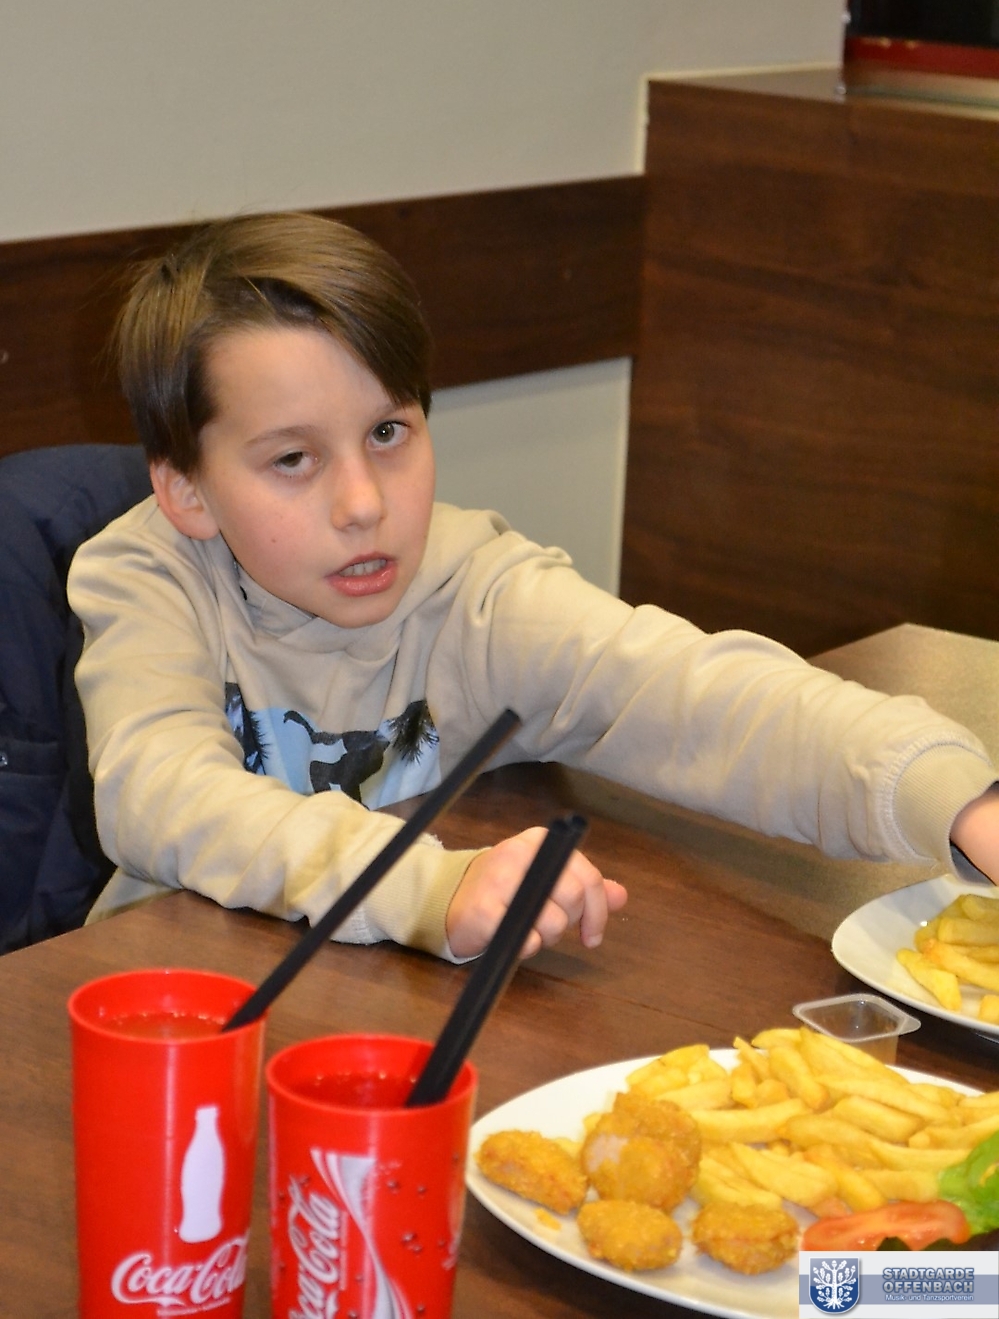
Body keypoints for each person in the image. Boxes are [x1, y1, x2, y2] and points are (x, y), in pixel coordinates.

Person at [67, 213, 999, 965]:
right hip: (175, 1023)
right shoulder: (150, 578)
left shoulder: (471, 588)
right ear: (187, 490)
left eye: (388, 434)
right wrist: (429, 888)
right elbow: (162, 794)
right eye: (292, 459)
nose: (363, 504)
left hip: (398, 1016)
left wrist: (957, 799)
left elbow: (693, 692)